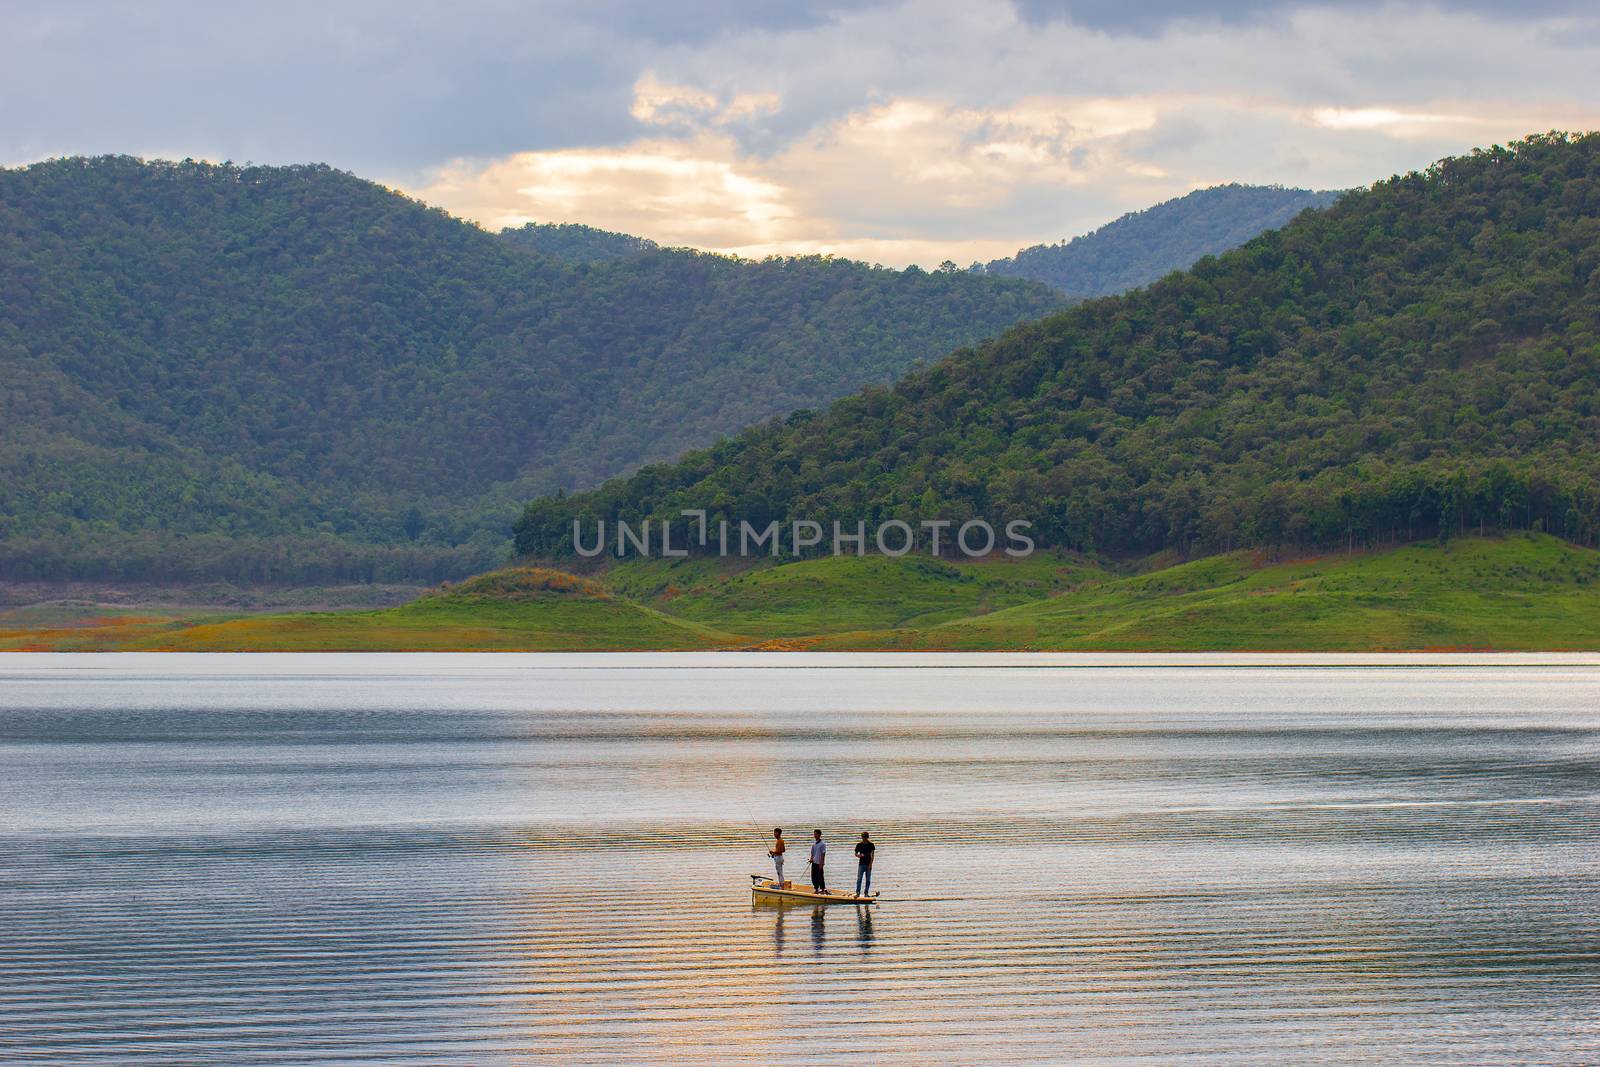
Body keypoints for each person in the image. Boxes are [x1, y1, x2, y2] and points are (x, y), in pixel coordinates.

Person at [854, 831, 876, 897]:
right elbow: (855, 854)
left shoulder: (871, 845)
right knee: (859, 879)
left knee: (868, 880)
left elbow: (872, 855)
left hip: (868, 864)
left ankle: (866, 893)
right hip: (861, 864)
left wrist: (870, 864)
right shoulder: (859, 845)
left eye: (865, 837)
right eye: (863, 837)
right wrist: (859, 856)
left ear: (867, 837)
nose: (864, 838)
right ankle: (857, 892)